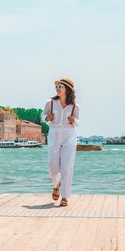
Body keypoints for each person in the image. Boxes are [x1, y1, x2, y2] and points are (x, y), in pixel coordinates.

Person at [42, 77, 80, 207]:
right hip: (54, 134)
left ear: (67, 89)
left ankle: (64, 197)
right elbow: (42, 117)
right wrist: (47, 117)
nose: (57, 89)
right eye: (56, 87)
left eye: (60, 86)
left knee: (66, 167)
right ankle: (57, 183)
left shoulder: (75, 106)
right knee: (53, 167)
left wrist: (73, 120)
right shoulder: (50, 103)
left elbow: (78, 121)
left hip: (69, 135)